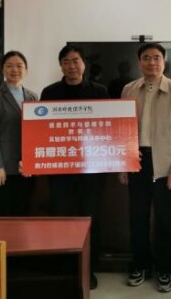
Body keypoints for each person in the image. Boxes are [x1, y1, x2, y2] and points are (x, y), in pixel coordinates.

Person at [119, 42, 171, 293]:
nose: (152, 62)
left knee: (165, 220)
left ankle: (164, 269)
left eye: (157, 58)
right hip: (136, 162)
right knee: (137, 218)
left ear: (164, 61)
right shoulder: (129, 89)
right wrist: (123, 164)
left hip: (165, 165)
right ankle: (140, 265)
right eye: (147, 58)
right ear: (140, 62)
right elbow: (121, 128)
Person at [40, 44, 109, 289]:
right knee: (63, 218)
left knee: (90, 219)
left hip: (92, 171)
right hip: (61, 170)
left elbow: (110, 127)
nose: (72, 66)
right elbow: (41, 131)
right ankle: (65, 268)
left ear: (84, 64)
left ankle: (88, 269)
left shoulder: (100, 91)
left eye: (76, 61)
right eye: (67, 61)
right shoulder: (50, 93)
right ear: (61, 66)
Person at [0, 50, 38, 216]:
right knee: (4, 214)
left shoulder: (32, 96)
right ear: (2, 69)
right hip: (4, 169)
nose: (15, 70)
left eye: (19, 66)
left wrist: (32, 161)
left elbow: (36, 133)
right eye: (9, 66)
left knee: (23, 212)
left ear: (26, 70)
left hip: (26, 168)